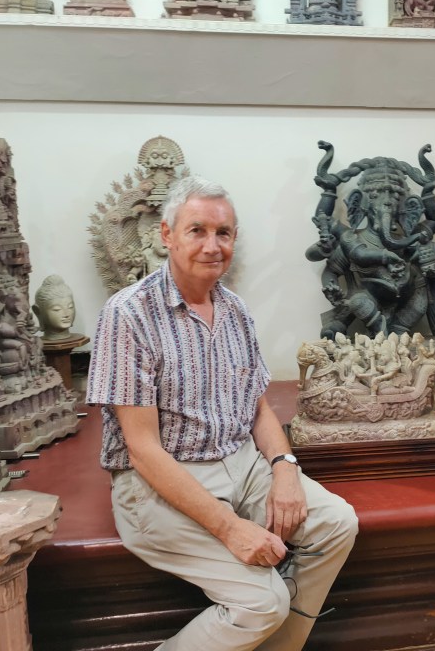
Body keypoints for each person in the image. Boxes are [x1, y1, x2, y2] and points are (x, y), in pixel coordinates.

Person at [87, 176, 358, 651]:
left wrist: (285, 469)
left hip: (242, 463)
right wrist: (230, 528)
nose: (212, 246)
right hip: (159, 480)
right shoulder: (128, 313)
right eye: (197, 230)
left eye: (224, 233)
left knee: (337, 523)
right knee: (263, 602)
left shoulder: (235, 311)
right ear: (167, 235)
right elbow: (143, 450)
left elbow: (257, 408)